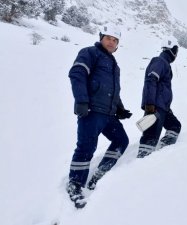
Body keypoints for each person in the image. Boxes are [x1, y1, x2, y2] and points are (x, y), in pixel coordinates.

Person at [67, 26, 132, 208]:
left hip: (108, 114)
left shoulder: (114, 65)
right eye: (108, 38)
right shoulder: (90, 53)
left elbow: (113, 91)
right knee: (86, 148)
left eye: (115, 40)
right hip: (91, 111)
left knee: (121, 140)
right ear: (101, 38)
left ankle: (99, 174)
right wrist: (81, 100)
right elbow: (77, 73)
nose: (111, 42)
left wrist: (120, 108)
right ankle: (75, 185)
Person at [137, 37, 181, 158]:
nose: (176, 54)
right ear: (172, 49)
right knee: (150, 138)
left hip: (163, 107)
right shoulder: (159, 61)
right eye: (176, 51)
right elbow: (151, 79)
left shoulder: (164, 63)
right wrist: (150, 104)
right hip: (155, 107)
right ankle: (140, 166)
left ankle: (162, 155)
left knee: (175, 126)